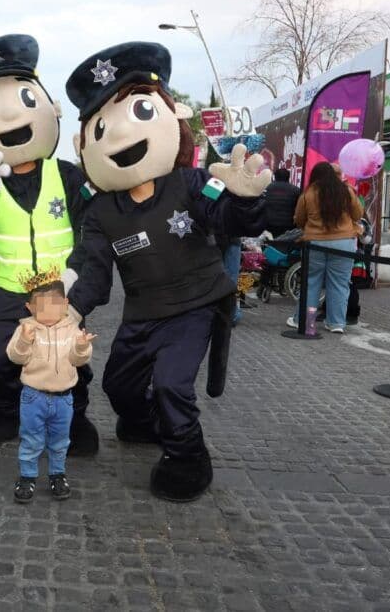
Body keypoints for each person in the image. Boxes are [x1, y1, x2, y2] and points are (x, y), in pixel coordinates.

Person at [64, 42, 268, 501]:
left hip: (196, 305)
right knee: (119, 384)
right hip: (142, 313)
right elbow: (91, 269)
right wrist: (69, 306)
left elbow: (229, 221)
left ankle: (187, 455)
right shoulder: (101, 212)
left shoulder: (193, 185)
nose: (117, 136)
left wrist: (245, 200)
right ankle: (144, 425)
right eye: (100, 127)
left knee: (173, 384)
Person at [0, 33, 99, 454]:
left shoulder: (66, 175)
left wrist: (76, 271)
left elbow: (93, 226)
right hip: (10, 290)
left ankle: (75, 417)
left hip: (58, 288)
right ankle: (5, 409)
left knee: (67, 358)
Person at [6, 269, 94, 503]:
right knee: (31, 439)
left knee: (60, 440)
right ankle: (27, 476)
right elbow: (15, 357)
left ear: (65, 304)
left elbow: (78, 361)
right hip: (33, 397)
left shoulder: (72, 329)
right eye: (41, 306)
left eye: (54, 305)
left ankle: (57, 474)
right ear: (30, 307)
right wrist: (25, 339)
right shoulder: (26, 328)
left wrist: (82, 346)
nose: (48, 312)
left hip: (64, 399)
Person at [286, 162, 363, 334]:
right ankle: (336, 323)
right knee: (339, 284)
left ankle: (306, 321)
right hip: (344, 242)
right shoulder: (346, 191)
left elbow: (299, 219)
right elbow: (358, 214)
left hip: (315, 242)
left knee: (311, 282)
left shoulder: (309, 193)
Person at [265, 168, 302, 237]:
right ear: (288, 177)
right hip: (288, 226)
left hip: (268, 224)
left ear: (275, 177)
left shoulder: (266, 188)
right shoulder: (296, 190)